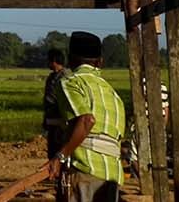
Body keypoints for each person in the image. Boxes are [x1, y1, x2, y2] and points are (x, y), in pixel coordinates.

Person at [47, 31, 126, 202]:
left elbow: (87, 120)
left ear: (71, 59)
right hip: (112, 173)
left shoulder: (71, 82)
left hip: (86, 168)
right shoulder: (112, 93)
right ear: (100, 62)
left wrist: (60, 156)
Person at [43, 48, 70, 159]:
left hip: (61, 121)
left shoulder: (66, 77)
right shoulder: (51, 77)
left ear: (54, 61)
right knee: (52, 150)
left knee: (60, 151)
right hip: (51, 120)